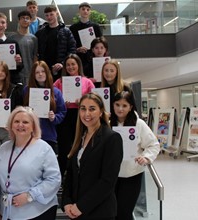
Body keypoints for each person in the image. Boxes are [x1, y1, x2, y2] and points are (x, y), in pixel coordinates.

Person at [62, 92, 123, 220]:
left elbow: (107, 181)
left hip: (99, 212)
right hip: (75, 210)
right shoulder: (80, 137)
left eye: (92, 109)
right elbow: (71, 173)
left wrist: (81, 206)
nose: (86, 114)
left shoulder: (112, 138)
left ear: (101, 112)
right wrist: (66, 201)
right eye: (83, 109)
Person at [0, 106, 61, 220]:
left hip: (38, 211)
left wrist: (30, 196)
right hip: (8, 211)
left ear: (33, 126)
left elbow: (54, 180)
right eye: (16, 121)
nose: (20, 125)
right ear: (10, 125)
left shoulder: (44, 148)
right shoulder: (3, 148)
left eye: (25, 122)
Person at [110, 91, 160, 220]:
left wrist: (146, 157)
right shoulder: (107, 123)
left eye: (124, 105)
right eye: (117, 104)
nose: (120, 109)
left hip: (131, 175)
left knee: (124, 213)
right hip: (110, 176)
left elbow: (153, 144)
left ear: (131, 107)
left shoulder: (139, 124)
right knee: (112, 212)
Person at [53, 54, 95, 176]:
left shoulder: (87, 82)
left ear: (78, 65)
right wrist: (61, 103)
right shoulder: (59, 82)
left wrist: (83, 102)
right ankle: (62, 177)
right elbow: (51, 99)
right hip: (64, 117)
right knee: (64, 148)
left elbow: (94, 101)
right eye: (68, 65)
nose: (71, 67)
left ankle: (80, 174)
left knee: (81, 146)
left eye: (73, 64)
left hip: (81, 117)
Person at [23, 61, 66, 154]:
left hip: (49, 135)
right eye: (37, 72)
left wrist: (54, 117)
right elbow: (20, 110)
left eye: (43, 71)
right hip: (30, 135)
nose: (40, 74)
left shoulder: (56, 92)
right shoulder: (26, 90)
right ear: (33, 75)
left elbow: (62, 112)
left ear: (47, 73)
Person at [35, 5, 76, 82]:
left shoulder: (66, 31)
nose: (49, 17)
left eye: (51, 14)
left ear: (57, 14)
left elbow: (72, 50)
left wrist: (63, 63)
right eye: (47, 15)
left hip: (62, 69)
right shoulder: (40, 33)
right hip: (45, 69)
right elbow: (36, 51)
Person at [70, 2, 103, 68]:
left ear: (90, 12)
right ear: (79, 11)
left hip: (93, 57)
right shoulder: (73, 28)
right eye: (83, 9)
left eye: (88, 9)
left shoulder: (96, 26)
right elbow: (70, 44)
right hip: (78, 58)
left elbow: (101, 42)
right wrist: (77, 49)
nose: (85, 11)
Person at [10, 10, 38, 86]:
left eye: (27, 18)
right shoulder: (12, 38)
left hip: (30, 73)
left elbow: (35, 56)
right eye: (23, 18)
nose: (25, 20)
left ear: (30, 21)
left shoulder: (34, 38)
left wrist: (35, 71)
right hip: (16, 74)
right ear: (19, 21)